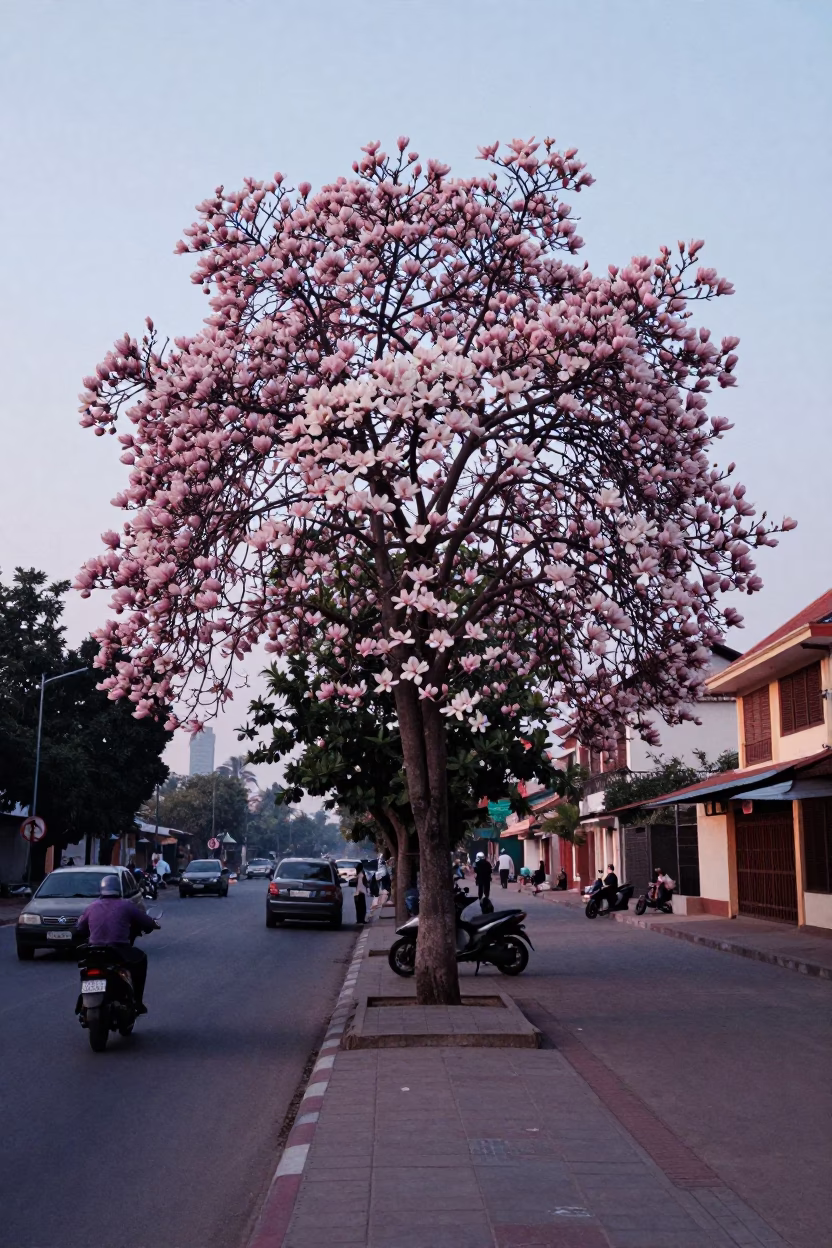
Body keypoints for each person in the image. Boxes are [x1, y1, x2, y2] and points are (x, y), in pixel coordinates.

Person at [75, 875, 158, 1012]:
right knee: (141, 959)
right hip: (118, 949)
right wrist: (153, 924)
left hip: (94, 950)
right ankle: (138, 1001)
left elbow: (80, 927)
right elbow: (146, 921)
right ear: (118, 889)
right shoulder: (126, 905)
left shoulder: (92, 906)